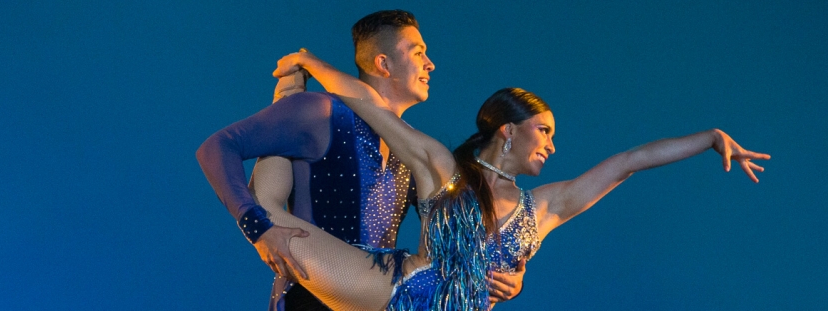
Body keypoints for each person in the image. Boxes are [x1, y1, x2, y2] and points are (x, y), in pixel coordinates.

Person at [209, 50, 771, 310]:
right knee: (276, 222)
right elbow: (368, 106)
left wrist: (709, 138)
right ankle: (284, 92)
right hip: (397, 290)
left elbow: (628, 161)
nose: (552, 145)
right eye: (545, 131)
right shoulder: (445, 173)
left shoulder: (545, 208)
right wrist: (312, 65)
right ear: (509, 131)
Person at [195, 10, 524, 311]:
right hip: (311, 299)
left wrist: (506, 275)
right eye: (418, 52)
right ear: (384, 63)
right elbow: (217, 147)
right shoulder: (319, 111)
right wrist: (259, 229)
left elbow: (457, 230)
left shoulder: (412, 153)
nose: (430, 64)